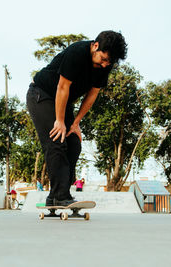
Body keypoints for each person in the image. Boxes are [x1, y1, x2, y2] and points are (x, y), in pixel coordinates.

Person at [27, 31, 127, 206]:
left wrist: (75, 123)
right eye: (103, 59)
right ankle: (60, 196)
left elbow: (93, 94)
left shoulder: (106, 65)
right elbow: (63, 87)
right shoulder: (77, 52)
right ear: (95, 46)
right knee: (56, 139)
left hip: (62, 102)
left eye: (109, 62)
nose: (105, 65)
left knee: (73, 142)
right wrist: (59, 121)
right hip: (41, 95)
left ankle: (55, 195)